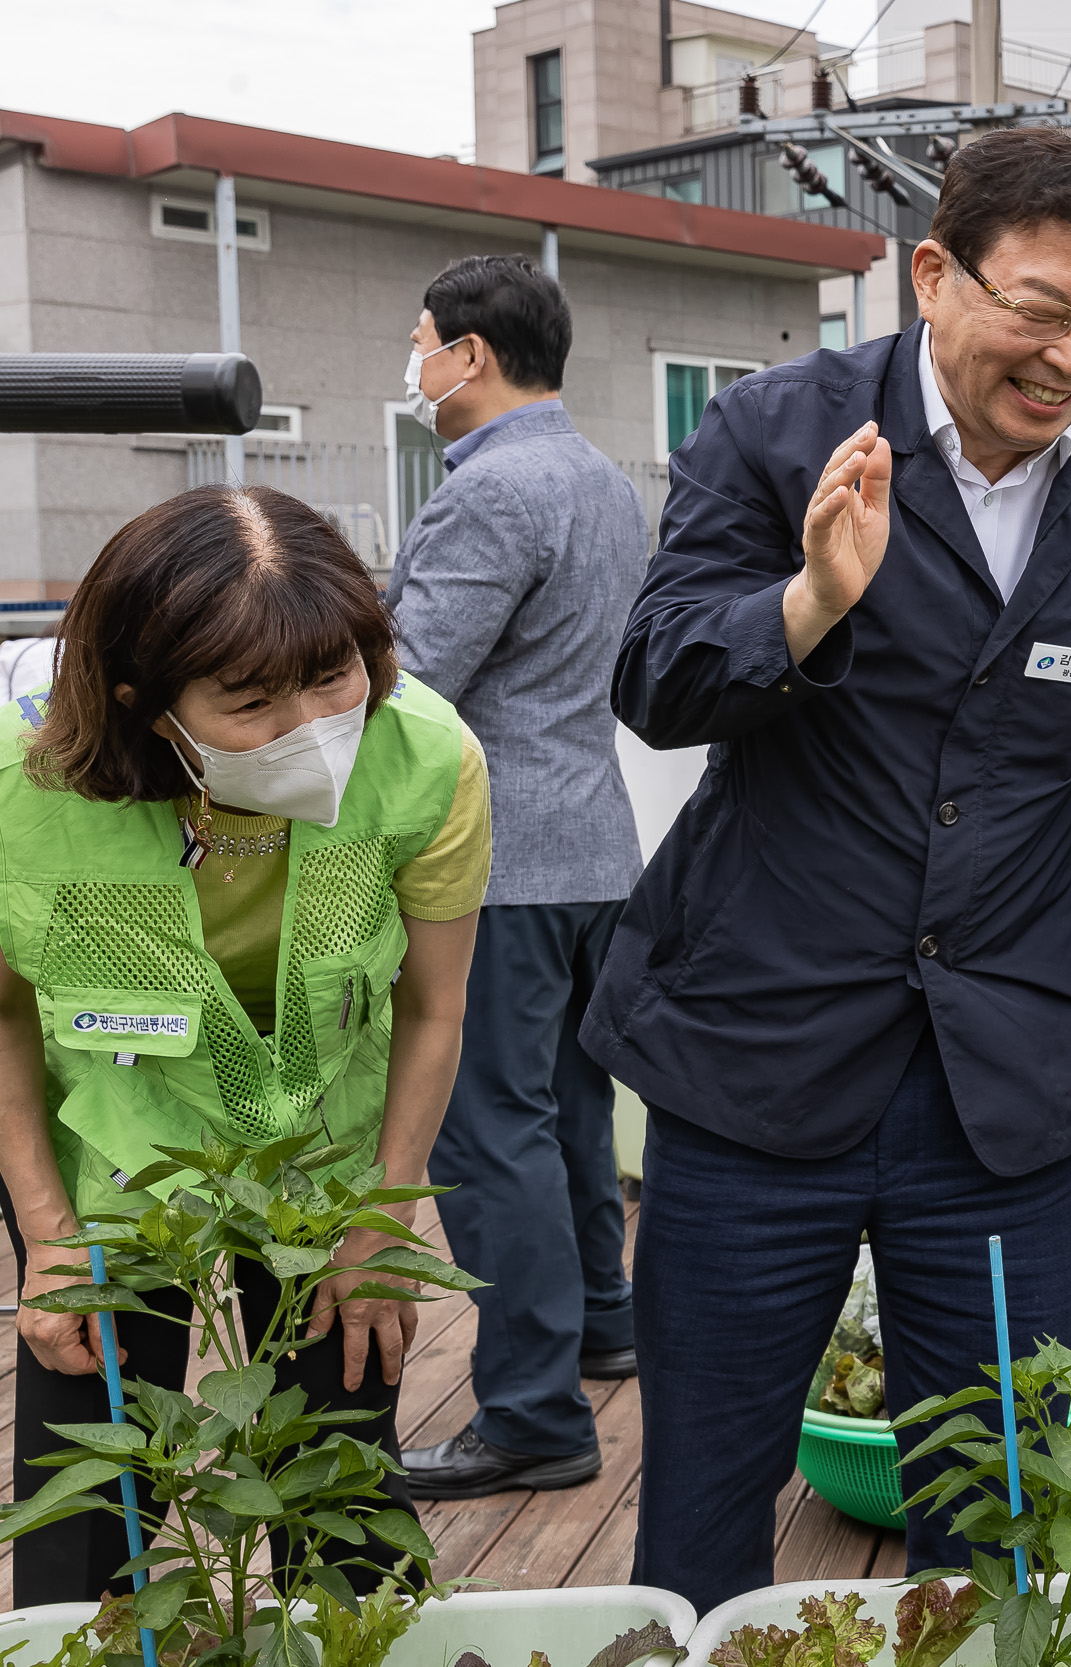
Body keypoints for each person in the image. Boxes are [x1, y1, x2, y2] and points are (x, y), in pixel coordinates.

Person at [582, 126, 1071, 1611]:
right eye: (1041, 308)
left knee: (997, 1485)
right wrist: (811, 596)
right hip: (754, 1049)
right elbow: (657, 682)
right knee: (705, 1488)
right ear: (934, 277)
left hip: (1000, 1072)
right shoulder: (774, 430)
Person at [0, 485, 487, 1602]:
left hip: (323, 1140)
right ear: (141, 700)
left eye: (334, 675)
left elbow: (433, 1007)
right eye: (250, 697)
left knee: (339, 1469)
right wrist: (46, 1232)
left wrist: (384, 1219)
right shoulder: (20, 786)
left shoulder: (427, 761)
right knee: (92, 1488)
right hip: (120, 1140)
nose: (310, 724)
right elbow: (3, 1011)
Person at [384, 254, 647, 1502]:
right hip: (593, 844)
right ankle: (603, 1324)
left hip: (496, 861)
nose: (417, 363)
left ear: (471, 353)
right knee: (571, 1115)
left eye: (423, 340)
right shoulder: (601, 480)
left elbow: (414, 680)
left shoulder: (491, 492)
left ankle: (535, 1413)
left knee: (490, 1135)